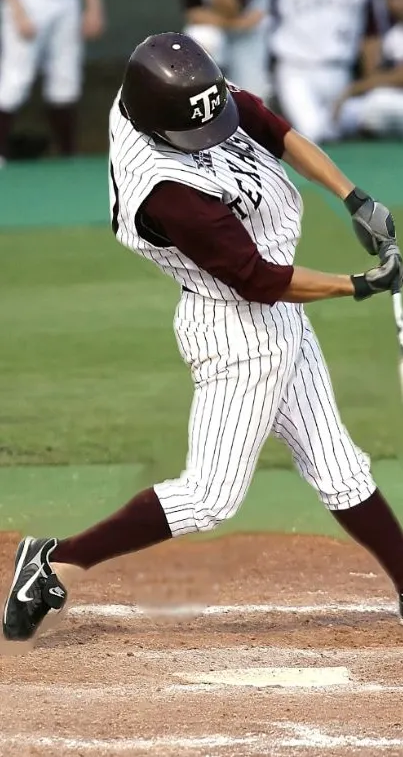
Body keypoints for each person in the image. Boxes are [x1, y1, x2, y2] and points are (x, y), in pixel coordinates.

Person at [3, 32, 403, 643]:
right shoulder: (164, 193)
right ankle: (50, 562)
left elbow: (268, 124)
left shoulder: (166, 87)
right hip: (236, 330)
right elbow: (257, 279)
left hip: (275, 317)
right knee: (209, 497)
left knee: (338, 468)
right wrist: (363, 285)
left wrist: (355, 196)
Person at [0, 0, 104, 165]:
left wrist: (93, 4)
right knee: (16, 77)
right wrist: (15, 6)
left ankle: (68, 153)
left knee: (65, 78)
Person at [271, 0, 380, 143]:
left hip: (341, 72)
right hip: (297, 69)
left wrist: (369, 83)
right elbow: (265, 22)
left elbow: (370, 32)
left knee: (376, 115)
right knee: (315, 132)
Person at [336, 0, 403, 137]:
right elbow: (374, 72)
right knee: (350, 112)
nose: (400, 0)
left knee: (377, 103)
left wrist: (355, 88)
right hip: (395, 99)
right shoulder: (393, 34)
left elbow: (400, 77)